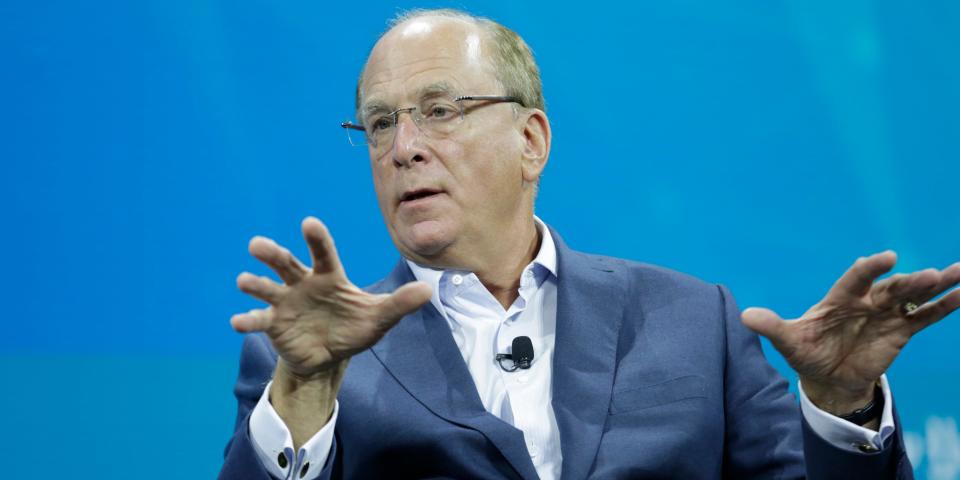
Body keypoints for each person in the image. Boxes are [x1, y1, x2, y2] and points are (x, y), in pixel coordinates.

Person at [218, 8, 959, 480]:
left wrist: (841, 404)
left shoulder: (694, 322)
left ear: (530, 141)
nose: (404, 147)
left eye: (439, 110)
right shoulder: (313, 355)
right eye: (379, 123)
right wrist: (306, 389)